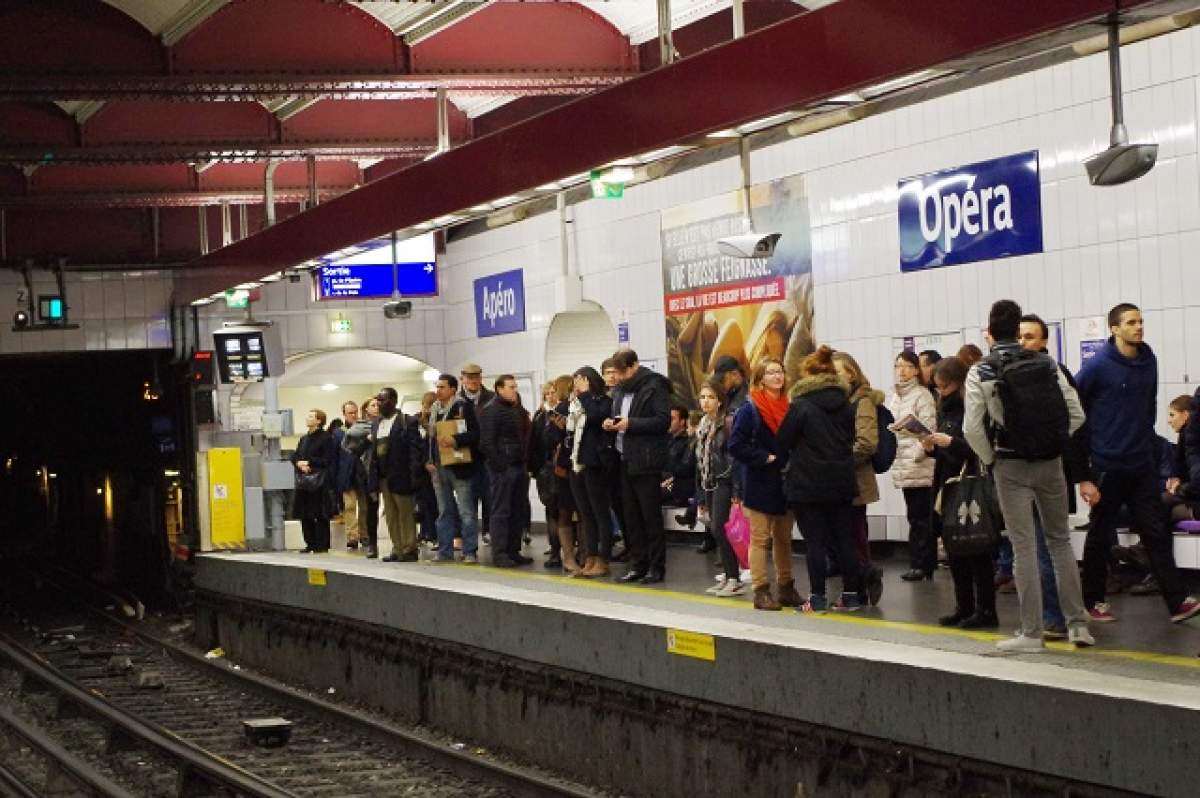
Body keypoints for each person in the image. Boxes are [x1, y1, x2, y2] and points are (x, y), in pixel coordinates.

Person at [964, 299, 1093, 651]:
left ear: (989, 332)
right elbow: (1076, 413)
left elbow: (972, 428)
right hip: (1051, 462)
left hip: (1010, 464)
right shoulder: (1047, 363)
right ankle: (1078, 625)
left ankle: (1032, 634)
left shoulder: (982, 370)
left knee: (1023, 548)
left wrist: (992, 459)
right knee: (1060, 542)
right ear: (1017, 329)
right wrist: (1051, 442)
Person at [1075, 303, 1200, 624]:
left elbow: (1148, 406)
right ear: (1114, 329)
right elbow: (1076, 413)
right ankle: (1092, 600)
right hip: (1107, 465)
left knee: (1155, 531)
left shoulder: (1149, 360)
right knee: (1101, 534)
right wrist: (1084, 473)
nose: (1138, 327)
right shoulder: (1097, 367)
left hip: (1141, 463)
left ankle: (1177, 602)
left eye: (1141, 321)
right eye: (1131, 322)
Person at [1018, 314, 1091, 637]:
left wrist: (1081, 474)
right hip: (1034, 470)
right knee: (1045, 545)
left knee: (1046, 546)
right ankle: (1064, 616)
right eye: (1020, 336)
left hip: (1048, 471)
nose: (1024, 343)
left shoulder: (1054, 374)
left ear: (1045, 341)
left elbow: (1077, 424)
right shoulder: (1024, 374)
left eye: (1030, 337)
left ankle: (1056, 617)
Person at [777, 346, 861, 612]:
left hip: (808, 484)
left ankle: (817, 598)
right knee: (845, 540)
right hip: (842, 481)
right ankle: (851, 596)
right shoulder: (846, 404)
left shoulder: (801, 406)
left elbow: (782, 442)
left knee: (815, 542)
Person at [925, 357, 997, 629]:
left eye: (943, 387)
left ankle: (985, 609)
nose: (940, 393)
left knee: (976, 548)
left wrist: (951, 443)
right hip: (948, 482)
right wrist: (932, 446)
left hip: (967, 483)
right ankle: (964, 606)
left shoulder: (971, 406)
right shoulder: (946, 407)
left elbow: (979, 445)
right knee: (956, 546)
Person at [729, 357, 798, 611]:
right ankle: (760, 590)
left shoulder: (790, 405)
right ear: (760, 379)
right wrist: (762, 457)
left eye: (779, 371)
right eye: (770, 373)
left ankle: (787, 587)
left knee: (784, 537)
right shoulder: (750, 409)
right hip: (759, 480)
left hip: (785, 480)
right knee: (759, 538)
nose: (777, 377)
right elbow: (735, 445)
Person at [603, 350, 672, 584]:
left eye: (623, 372)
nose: (619, 377)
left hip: (646, 460)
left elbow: (663, 421)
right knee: (630, 517)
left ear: (635, 366)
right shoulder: (621, 391)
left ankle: (656, 567)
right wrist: (611, 423)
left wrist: (631, 424)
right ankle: (638, 564)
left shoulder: (655, 386)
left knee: (650, 517)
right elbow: (618, 416)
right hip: (624, 459)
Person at [831, 351, 884, 605]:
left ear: (850, 374)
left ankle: (862, 581)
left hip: (855, 481)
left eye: (836, 372)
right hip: (842, 481)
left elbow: (866, 443)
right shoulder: (839, 401)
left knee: (854, 538)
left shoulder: (862, 402)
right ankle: (858, 586)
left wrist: (837, 464)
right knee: (846, 538)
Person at [886, 350, 938, 581]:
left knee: (921, 518)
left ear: (916, 369)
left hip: (919, 463)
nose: (902, 371)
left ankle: (923, 564)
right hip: (903, 462)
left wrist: (918, 455)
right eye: (898, 366)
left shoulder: (922, 395)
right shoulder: (895, 396)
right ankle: (919, 563)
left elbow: (929, 429)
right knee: (914, 515)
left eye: (907, 366)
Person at [427, 374, 481, 564]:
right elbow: (431, 439)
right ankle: (444, 550)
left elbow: (475, 434)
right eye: (437, 387)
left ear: (452, 389)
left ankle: (470, 551)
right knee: (444, 510)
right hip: (439, 466)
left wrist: (456, 440)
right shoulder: (434, 410)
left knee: (466, 511)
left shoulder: (463, 407)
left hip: (459, 466)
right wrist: (429, 459)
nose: (438, 390)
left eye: (442, 387)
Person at [695, 379, 742, 597]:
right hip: (709, 481)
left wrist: (735, 491)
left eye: (711, 397)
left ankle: (733, 577)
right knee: (716, 529)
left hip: (724, 481)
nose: (705, 402)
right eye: (703, 397)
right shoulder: (703, 425)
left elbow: (734, 459)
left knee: (720, 529)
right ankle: (729, 574)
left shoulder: (727, 423)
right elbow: (700, 460)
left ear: (720, 401)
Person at [568, 366, 616, 578]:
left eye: (578, 380)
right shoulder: (579, 402)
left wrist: (586, 394)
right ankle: (590, 556)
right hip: (578, 462)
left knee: (600, 512)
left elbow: (597, 417)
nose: (576, 385)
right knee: (585, 514)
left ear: (587, 380)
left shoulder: (603, 400)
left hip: (596, 462)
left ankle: (603, 558)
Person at [479, 374, 530, 567]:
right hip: (503, 468)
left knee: (518, 510)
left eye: (515, 387)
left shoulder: (515, 409)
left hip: (517, 465)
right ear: (499, 389)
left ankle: (513, 550)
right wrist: (501, 465)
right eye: (510, 387)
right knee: (501, 511)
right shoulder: (491, 410)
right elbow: (486, 443)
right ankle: (499, 553)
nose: (514, 390)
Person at [371, 387, 424, 563]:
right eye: (378, 400)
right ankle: (397, 547)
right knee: (391, 515)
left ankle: (409, 548)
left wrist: (414, 474)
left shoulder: (406, 421)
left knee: (405, 513)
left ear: (393, 401)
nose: (379, 403)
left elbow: (415, 450)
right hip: (384, 476)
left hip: (401, 474)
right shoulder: (377, 423)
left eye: (383, 399)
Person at [544, 375, 580, 573]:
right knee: (575, 513)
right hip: (567, 468)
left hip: (566, 468)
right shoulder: (559, 410)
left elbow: (548, 439)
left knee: (567, 513)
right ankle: (576, 555)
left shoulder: (564, 409)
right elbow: (549, 439)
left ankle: (571, 556)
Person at [290, 408, 336, 553]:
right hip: (304, 480)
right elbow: (296, 455)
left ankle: (322, 544)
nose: (307, 418)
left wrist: (308, 462)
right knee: (304, 513)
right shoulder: (304, 439)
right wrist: (298, 463)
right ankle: (310, 543)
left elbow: (328, 460)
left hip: (318, 481)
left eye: (311, 416)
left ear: (319, 420)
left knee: (320, 513)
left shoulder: (326, 438)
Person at [459, 363, 494, 546]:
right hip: (465, 457)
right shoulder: (456, 401)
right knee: (468, 501)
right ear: (462, 378)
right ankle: (469, 539)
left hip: (488, 456)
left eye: (476, 377)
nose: (473, 380)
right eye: (469, 377)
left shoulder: (491, 398)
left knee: (490, 496)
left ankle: (489, 531)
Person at [530, 382, 562, 567]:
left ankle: (564, 549)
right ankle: (555, 550)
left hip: (561, 468)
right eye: (547, 393)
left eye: (553, 392)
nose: (551, 396)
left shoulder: (561, 414)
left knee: (564, 512)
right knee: (551, 511)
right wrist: (535, 469)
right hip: (546, 469)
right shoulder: (539, 417)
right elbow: (534, 445)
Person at [601, 357, 627, 560]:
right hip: (607, 457)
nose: (611, 376)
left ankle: (631, 543)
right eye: (607, 372)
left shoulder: (625, 395)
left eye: (613, 371)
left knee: (625, 503)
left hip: (623, 455)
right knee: (613, 503)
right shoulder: (600, 398)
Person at [334, 400, 365, 550]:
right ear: (344, 414)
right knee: (349, 506)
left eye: (355, 412)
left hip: (363, 472)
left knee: (365, 507)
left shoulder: (364, 428)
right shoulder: (338, 433)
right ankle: (352, 536)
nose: (353, 415)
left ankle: (365, 535)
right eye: (350, 413)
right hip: (347, 474)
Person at [1165, 395, 1200, 525]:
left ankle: (1150, 545)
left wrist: (1178, 488)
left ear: (1186, 415)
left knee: (1156, 505)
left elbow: (1196, 482)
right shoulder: (1185, 438)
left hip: (1194, 499)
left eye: (1172, 415)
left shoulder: (1190, 439)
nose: (1168, 421)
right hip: (1191, 495)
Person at [413, 391, 440, 546]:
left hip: (435, 468)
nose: (428, 409)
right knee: (423, 502)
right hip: (421, 469)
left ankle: (433, 533)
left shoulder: (436, 422)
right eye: (425, 405)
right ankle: (425, 532)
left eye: (431, 406)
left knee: (434, 502)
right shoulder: (416, 422)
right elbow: (416, 446)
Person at [662, 404, 696, 516]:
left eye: (672, 419)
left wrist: (669, 476)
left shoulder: (688, 442)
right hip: (667, 481)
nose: (668, 422)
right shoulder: (667, 440)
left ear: (682, 422)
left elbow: (686, 468)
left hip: (678, 486)